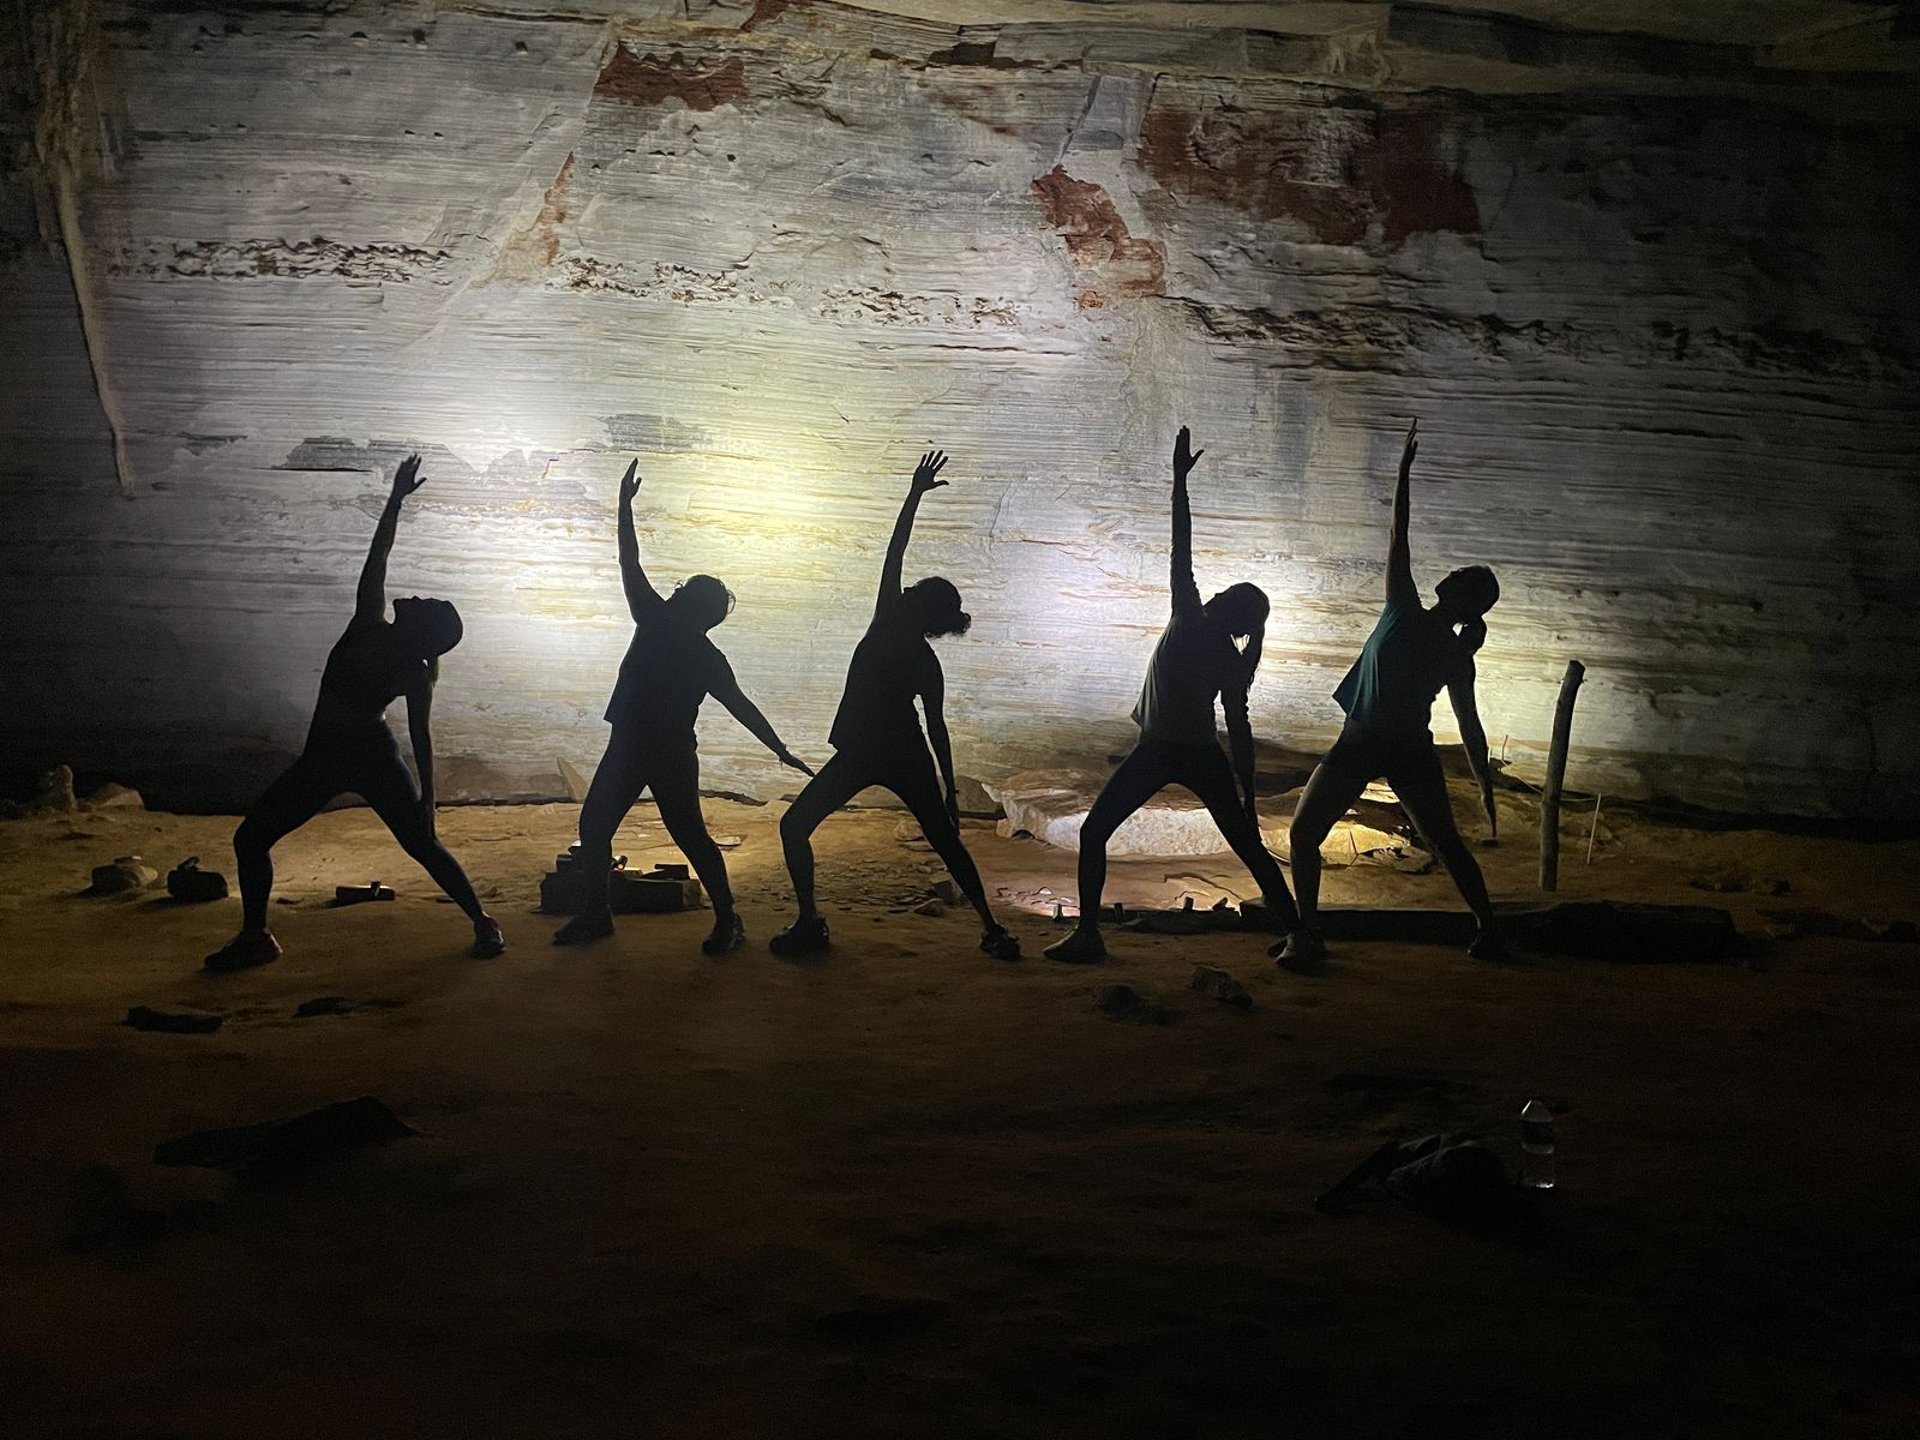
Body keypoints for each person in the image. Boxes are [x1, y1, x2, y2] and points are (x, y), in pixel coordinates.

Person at [204, 455, 504, 971]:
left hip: (366, 756)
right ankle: (255, 937)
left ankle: (483, 921)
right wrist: (395, 500)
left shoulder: (400, 657)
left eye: (423, 602)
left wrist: (429, 800)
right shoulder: (374, 627)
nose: (412, 594)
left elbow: (421, 735)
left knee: (421, 843)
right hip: (329, 757)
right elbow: (378, 555)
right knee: (251, 838)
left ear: (422, 631)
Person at [1044, 426, 1299, 963]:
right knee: (1247, 846)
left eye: (1227, 593)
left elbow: (1180, 542)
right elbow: (1240, 729)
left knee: (1095, 833)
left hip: (1161, 750)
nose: (1219, 591)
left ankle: (1089, 935)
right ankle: (1305, 936)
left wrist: (1179, 480)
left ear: (1226, 606)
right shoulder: (1231, 659)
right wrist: (1247, 794)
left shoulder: (1188, 615)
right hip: (1199, 754)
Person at [554, 461, 814, 954]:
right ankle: (718, 919)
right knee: (679, 836)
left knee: (622, 830)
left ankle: (618, 915)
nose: (672, 593)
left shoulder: (656, 621)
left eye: (681, 592)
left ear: (686, 603)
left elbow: (629, 563)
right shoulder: (702, 653)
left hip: (643, 747)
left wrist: (623, 507)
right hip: (657, 749)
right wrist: (778, 748)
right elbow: (742, 706)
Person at [771, 450, 1020, 961]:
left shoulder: (887, 621)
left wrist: (913, 495)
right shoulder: (926, 660)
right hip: (906, 754)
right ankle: (992, 929)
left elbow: (894, 552)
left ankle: (808, 921)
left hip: (865, 752)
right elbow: (937, 729)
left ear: (916, 603)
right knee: (948, 842)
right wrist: (948, 789)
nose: (905, 588)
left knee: (794, 826)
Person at [1276, 420, 1504, 969]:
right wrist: (1483, 781)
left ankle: (1309, 936)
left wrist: (1403, 473)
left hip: (1370, 743)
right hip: (1399, 747)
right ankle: (1488, 929)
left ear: (1463, 599)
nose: (1446, 575)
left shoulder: (1405, 608)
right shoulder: (1451, 650)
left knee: (1307, 834)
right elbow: (1470, 727)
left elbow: (1398, 535)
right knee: (1442, 842)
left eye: (1458, 577)